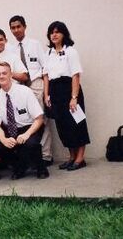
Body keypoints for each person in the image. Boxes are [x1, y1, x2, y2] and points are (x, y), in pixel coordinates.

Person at [43, 21, 90, 171]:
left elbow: (75, 75)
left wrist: (74, 97)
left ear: (64, 34)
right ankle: (71, 157)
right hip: (55, 92)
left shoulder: (71, 51)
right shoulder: (48, 53)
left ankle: (80, 158)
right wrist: (46, 96)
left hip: (70, 90)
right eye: (52, 32)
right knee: (63, 127)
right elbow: (46, 77)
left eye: (57, 32)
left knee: (77, 124)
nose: (54, 35)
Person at [0, 62, 49, 179]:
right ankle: (19, 167)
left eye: (4, 73)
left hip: (30, 127)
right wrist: (4, 139)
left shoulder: (25, 91)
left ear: (11, 74)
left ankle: (40, 167)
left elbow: (39, 118)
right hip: (11, 130)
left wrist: (27, 134)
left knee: (30, 143)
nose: (1, 76)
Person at [9, 15, 54, 166]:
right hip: (20, 87)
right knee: (25, 122)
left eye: (18, 27)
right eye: (13, 28)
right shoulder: (10, 49)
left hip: (35, 84)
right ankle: (30, 157)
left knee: (41, 120)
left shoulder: (35, 44)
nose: (16, 30)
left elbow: (45, 68)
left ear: (24, 27)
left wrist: (46, 92)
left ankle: (46, 156)